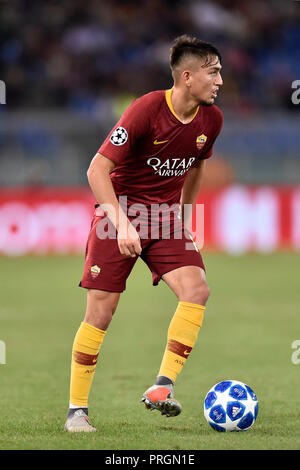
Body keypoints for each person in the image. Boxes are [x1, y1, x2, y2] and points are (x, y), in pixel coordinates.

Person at [64, 34, 223, 432]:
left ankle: (163, 387)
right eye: (213, 71)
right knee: (101, 312)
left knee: (197, 289)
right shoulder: (146, 109)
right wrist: (120, 224)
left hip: (165, 217)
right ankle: (76, 412)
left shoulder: (212, 119)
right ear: (187, 77)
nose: (220, 80)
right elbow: (97, 170)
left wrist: (185, 218)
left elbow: (198, 164)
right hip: (119, 211)